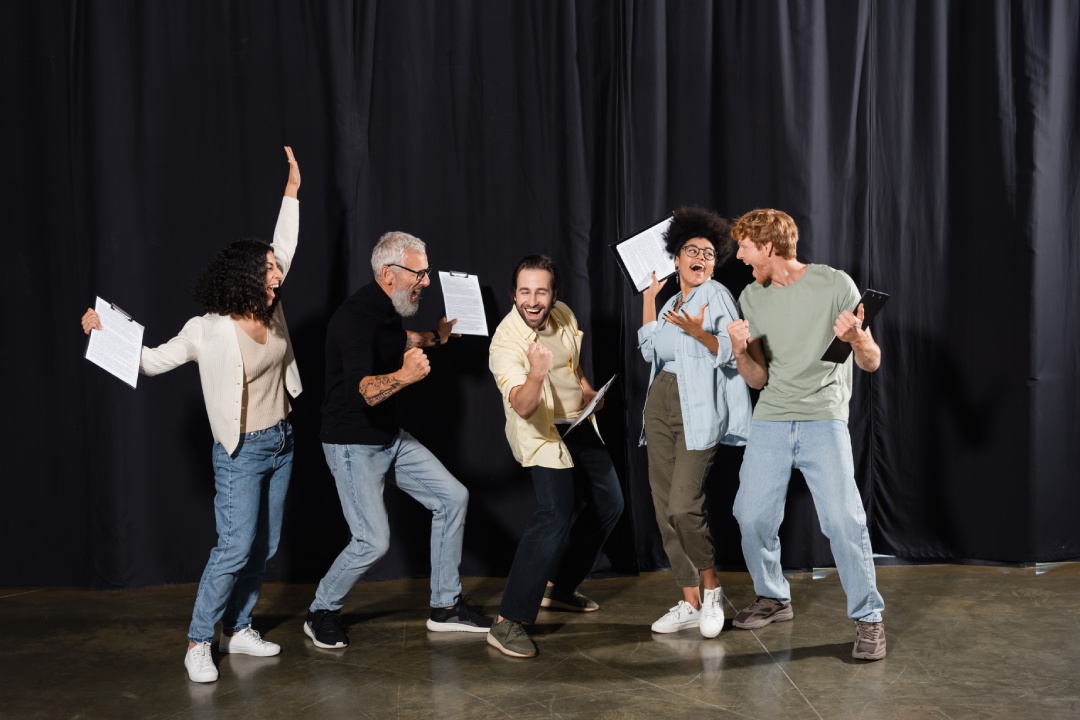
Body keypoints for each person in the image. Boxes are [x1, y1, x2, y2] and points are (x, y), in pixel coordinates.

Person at [80, 147, 304, 683]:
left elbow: (286, 246)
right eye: (269, 271)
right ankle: (199, 641)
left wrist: (291, 191)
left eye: (276, 270)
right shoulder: (207, 329)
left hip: (282, 440)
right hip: (241, 452)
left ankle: (239, 627)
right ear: (246, 278)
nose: (277, 276)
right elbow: (153, 362)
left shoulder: (272, 308)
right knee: (233, 547)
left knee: (266, 545)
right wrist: (103, 332)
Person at [304, 231, 492, 650]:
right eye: (420, 273)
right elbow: (362, 391)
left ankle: (445, 608)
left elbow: (396, 339)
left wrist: (436, 337)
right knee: (372, 540)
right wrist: (405, 377)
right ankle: (321, 611)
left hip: (388, 437)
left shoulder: (387, 308)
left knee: (452, 498)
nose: (427, 281)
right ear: (389, 273)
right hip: (352, 444)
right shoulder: (353, 317)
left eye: (427, 271)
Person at [725, 208, 887, 661]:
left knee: (842, 521)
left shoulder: (835, 285)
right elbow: (757, 379)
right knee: (750, 515)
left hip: (823, 417)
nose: (738, 256)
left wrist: (856, 337)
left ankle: (869, 618)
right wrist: (740, 351)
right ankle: (774, 597)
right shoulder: (751, 297)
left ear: (769, 247)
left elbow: (871, 361)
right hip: (772, 418)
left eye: (745, 246)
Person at [486, 255, 625, 658]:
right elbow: (524, 407)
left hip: (576, 422)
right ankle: (507, 622)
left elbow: (571, 362)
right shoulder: (505, 342)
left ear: (553, 294)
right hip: (541, 432)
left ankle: (559, 586)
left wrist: (587, 391)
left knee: (610, 503)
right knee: (553, 516)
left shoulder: (562, 314)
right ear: (514, 294)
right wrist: (535, 373)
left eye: (541, 291)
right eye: (524, 291)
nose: (533, 300)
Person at [637, 207, 752, 638]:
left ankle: (712, 588)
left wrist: (702, 334)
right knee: (665, 509)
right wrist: (650, 298)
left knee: (685, 506)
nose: (700, 257)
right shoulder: (670, 302)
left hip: (697, 409)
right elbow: (651, 350)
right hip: (660, 405)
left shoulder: (717, 295)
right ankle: (688, 601)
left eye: (708, 252)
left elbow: (733, 350)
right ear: (676, 258)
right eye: (692, 250)